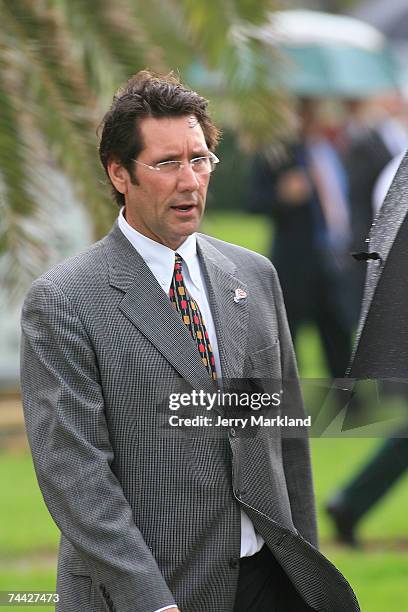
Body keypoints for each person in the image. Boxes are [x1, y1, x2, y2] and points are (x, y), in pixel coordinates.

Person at [21, 71, 359, 612]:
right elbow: (75, 475)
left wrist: (304, 574)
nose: (191, 180)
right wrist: (148, 600)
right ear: (119, 173)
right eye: (167, 163)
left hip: (270, 582)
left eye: (199, 159)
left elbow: (285, 440)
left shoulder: (254, 273)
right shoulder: (64, 300)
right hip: (156, 592)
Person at [248, 98, 354, 380]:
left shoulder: (331, 149)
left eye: (315, 109)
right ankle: (279, 399)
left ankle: (348, 399)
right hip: (294, 261)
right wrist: (283, 195)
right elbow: (255, 201)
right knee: (287, 334)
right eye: (304, 111)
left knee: (337, 330)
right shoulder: (279, 153)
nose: (312, 117)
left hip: (332, 257)